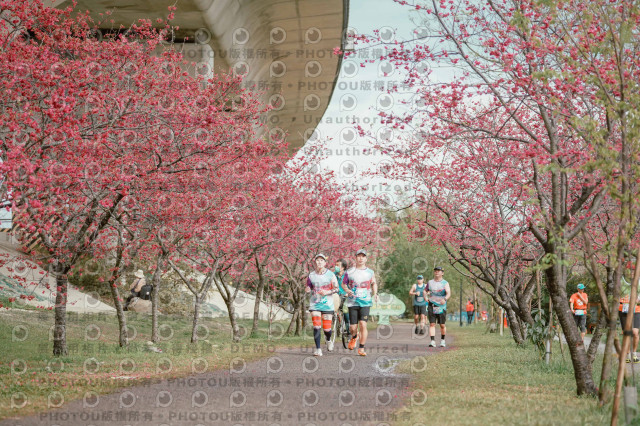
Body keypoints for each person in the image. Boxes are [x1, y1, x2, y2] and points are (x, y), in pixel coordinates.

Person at [343, 249, 378, 356]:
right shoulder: (349, 272)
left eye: (363, 256)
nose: (361, 258)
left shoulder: (370, 272)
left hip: (365, 302)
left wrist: (375, 293)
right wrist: (347, 290)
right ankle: (354, 336)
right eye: (359, 256)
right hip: (353, 302)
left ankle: (361, 348)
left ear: (366, 259)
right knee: (353, 327)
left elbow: (374, 283)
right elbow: (344, 284)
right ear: (356, 258)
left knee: (363, 324)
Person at [306, 253, 339, 356]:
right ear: (315, 262)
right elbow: (309, 286)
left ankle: (328, 339)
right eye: (317, 260)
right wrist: (307, 289)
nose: (319, 262)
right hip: (315, 303)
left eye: (321, 260)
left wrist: (327, 292)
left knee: (327, 329)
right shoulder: (311, 275)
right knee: (316, 326)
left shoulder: (331, 275)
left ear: (325, 263)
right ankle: (318, 349)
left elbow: (336, 289)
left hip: (327, 304)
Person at [427, 266, 451, 348]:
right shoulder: (430, 282)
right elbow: (425, 290)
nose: (437, 272)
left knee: (442, 325)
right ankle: (432, 341)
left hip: (440, 306)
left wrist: (445, 299)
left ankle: (443, 340)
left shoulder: (445, 283)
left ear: (442, 273)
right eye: (435, 271)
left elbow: (448, 293)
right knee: (432, 324)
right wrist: (425, 297)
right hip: (432, 304)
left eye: (438, 271)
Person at [619, 277, 640, 363]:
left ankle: (634, 353)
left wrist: (638, 299)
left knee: (635, 332)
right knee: (627, 333)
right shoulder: (621, 279)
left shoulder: (639, 281)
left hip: (636, 309)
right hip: (623, 309)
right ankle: (627, 354)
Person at [334, 259, 350, 328]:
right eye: (335, 265)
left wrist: (348, 293)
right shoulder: (333, 275)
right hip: (336, 296)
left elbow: (352, 286)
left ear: (343, 267)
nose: (336, 267)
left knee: (346, 313)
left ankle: (348, 329)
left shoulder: (348, 275)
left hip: (346, 296)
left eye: (338, 265)